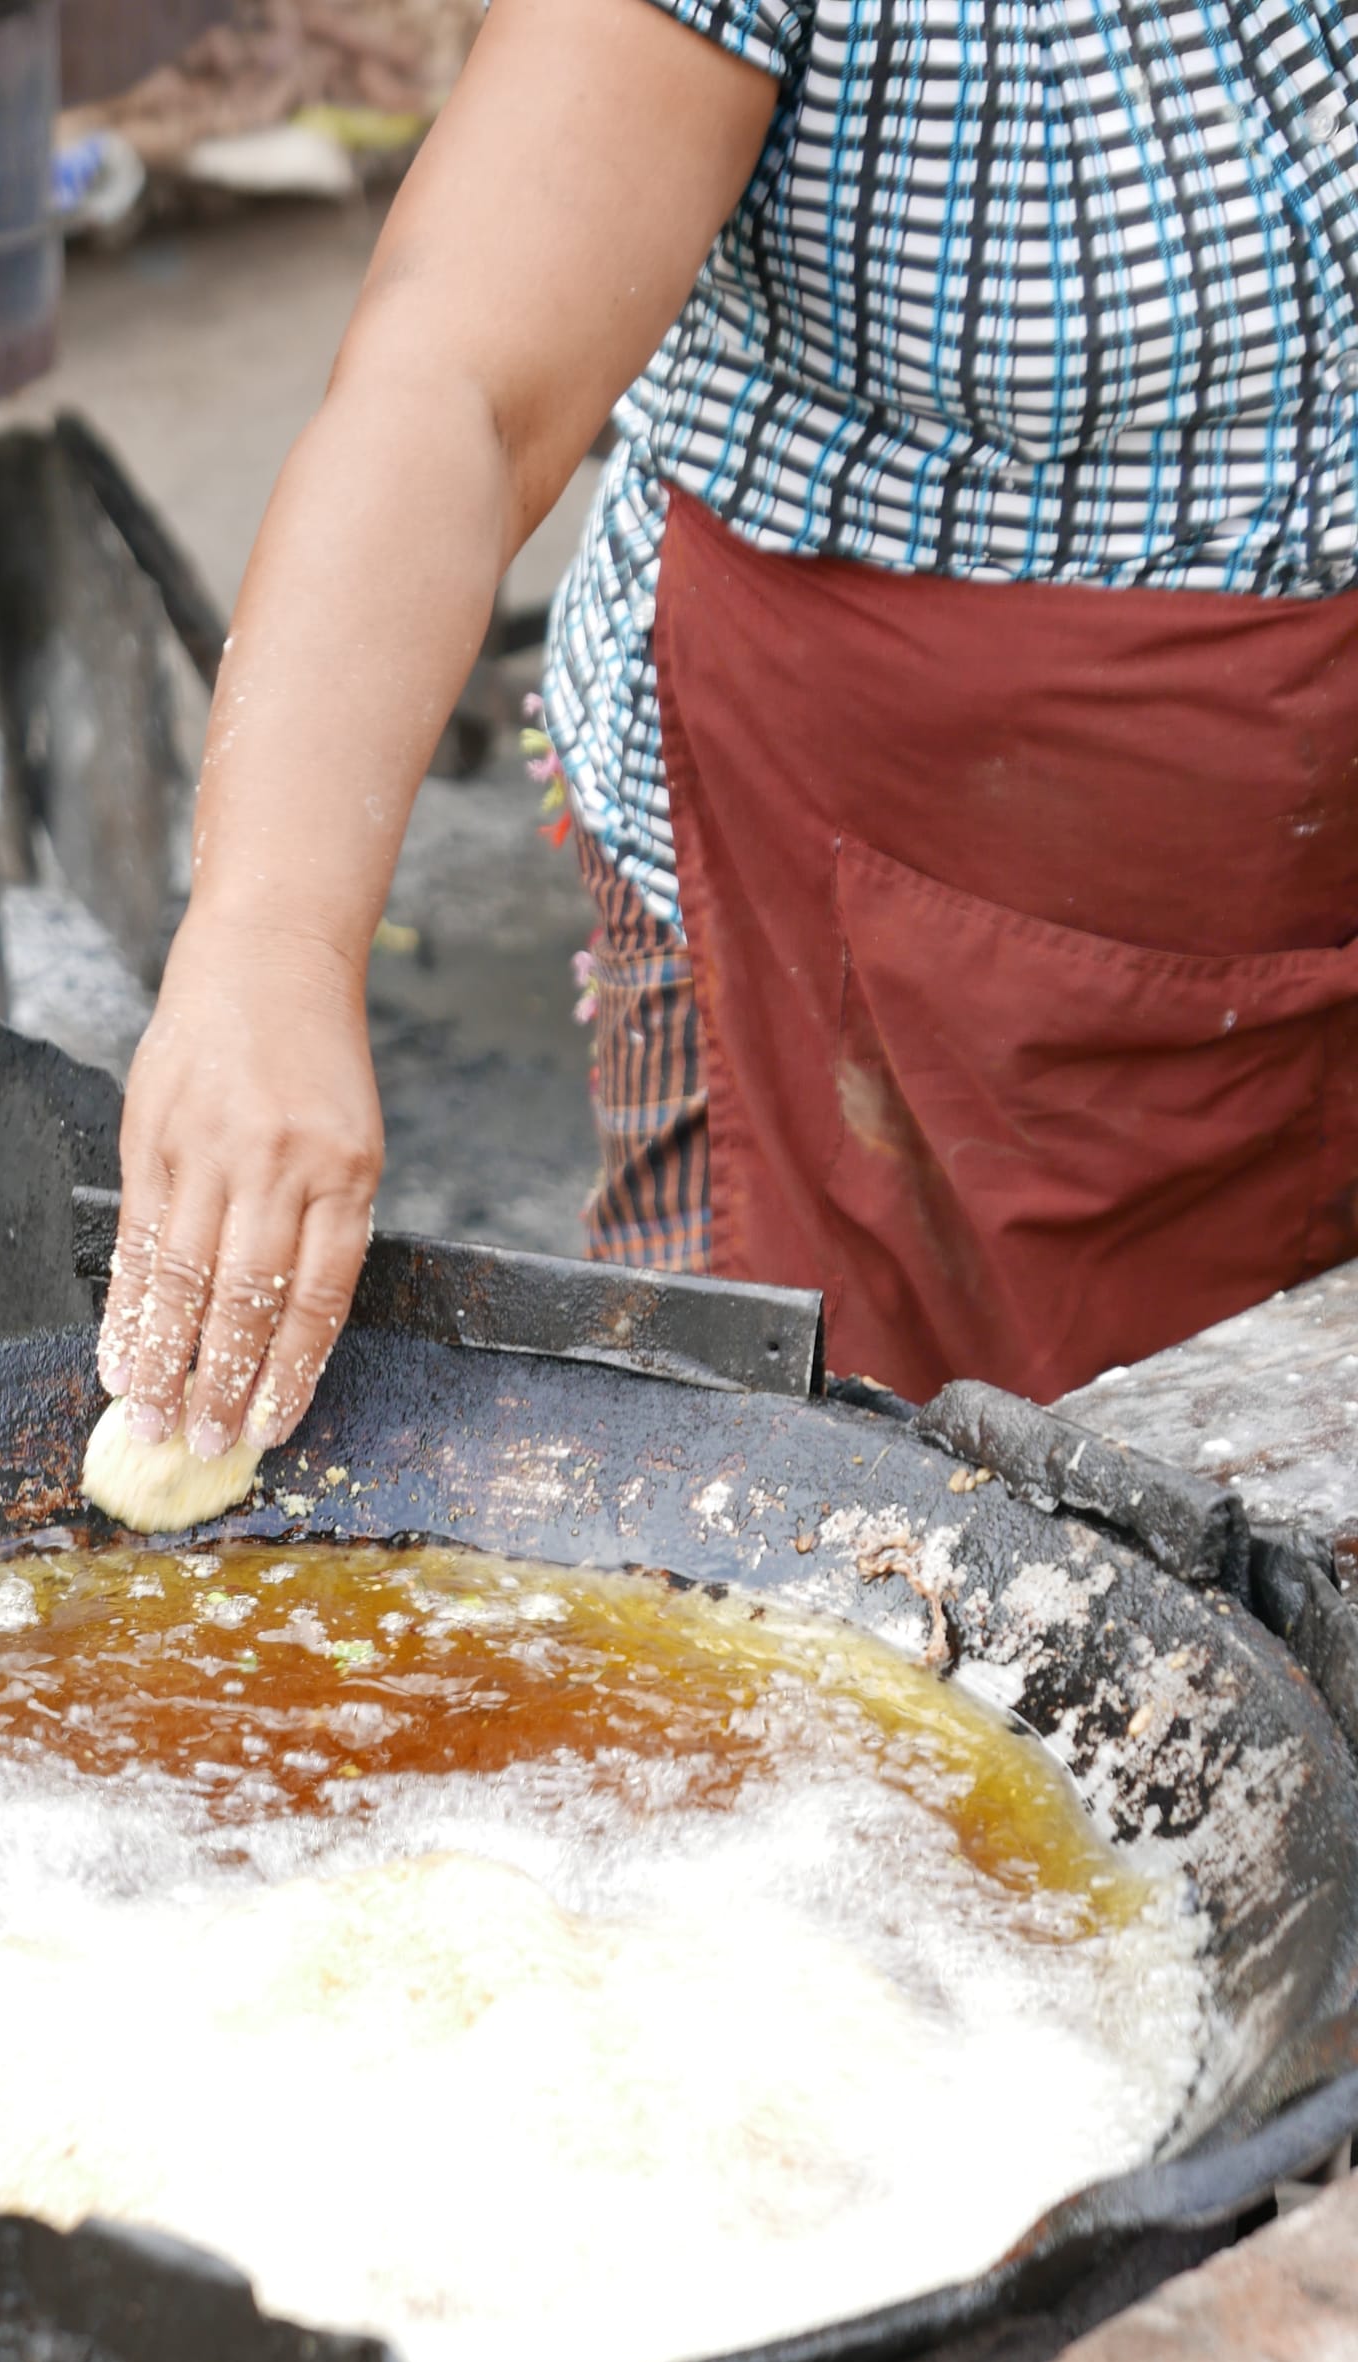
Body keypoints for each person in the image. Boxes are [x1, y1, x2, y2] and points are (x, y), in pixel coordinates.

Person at [97, 0, 1358, 1447]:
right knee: (799, 1553)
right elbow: (456, 387)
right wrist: (269, 942)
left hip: (1291, 895)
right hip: (832, 917)